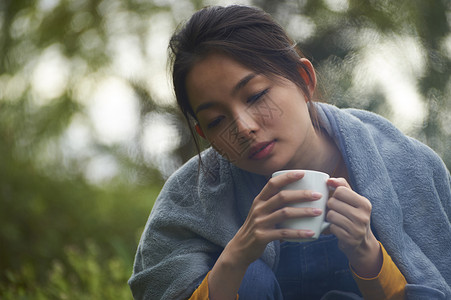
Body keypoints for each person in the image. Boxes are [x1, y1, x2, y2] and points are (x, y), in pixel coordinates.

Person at [128, 5, 451, 300]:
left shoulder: (406, 164)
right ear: (204, 135)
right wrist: (237, 256)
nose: (243, 127)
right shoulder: (189, 200)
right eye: (216, 120)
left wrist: (369, 256)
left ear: (304, 78)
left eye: (255, 96)